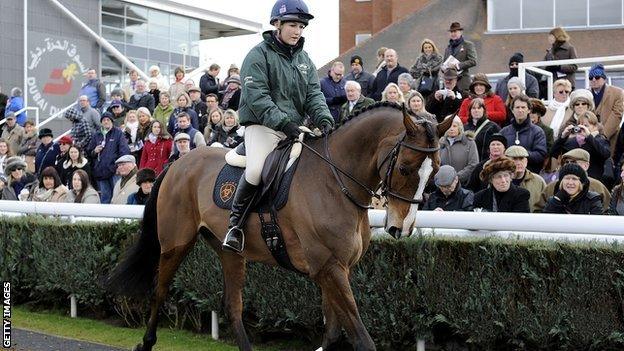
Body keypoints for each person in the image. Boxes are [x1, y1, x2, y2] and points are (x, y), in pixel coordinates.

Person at [222, 0, 334, 253]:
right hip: (262, 126)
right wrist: (284, 122)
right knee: (256, 170)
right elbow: (257, 96)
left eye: (301, 26)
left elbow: (314, 95)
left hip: (294, 127)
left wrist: (324, 119)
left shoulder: (305, 59)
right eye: (293, 25)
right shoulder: (257, 55)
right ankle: (234, 227)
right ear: (277, 24)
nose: (298, 31)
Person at [535, 148, 611, 212]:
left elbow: (606, 213)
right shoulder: (552, 186)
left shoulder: (597, 186)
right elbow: (539, 212)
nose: (569, 164)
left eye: (574, 162)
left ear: (586, 165)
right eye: (566, 162)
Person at [550, 111, 610, 180]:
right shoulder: (573, 141)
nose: (582, 128)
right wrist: (563, 137)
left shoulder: (600, 140)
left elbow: (606, 154)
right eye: (580, 125)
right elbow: (553, 153)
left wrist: (589, 137)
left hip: (591, 179)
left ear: (595, 127)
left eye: (586, 125)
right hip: (571, 178)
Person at [87, 112, 130, 204]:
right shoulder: (97, 135)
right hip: (101, 171)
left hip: (115, 171)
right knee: (105, 197)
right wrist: (95, 151)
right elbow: (89, 152)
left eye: (108, 120)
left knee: (117, 195)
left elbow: (124, 151)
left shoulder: (118, 133)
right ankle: (104, 218)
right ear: (101, 122)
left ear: (112, 121)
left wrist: (120, 167)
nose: (106, 122)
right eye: (103, 120)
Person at [500, 95, 547, 173]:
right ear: (512, 110)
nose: (520, 110)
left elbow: (540, 155)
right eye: (517, 107)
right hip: (508, 175)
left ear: (529, 110)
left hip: (530, 175)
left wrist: (519, 153)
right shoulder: (504, 132)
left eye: (523, 107)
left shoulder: (538, 132)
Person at [588, 64, 624, 151]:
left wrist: (603, 135)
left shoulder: (618, 92)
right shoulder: (586, 94)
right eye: (590, 77)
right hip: (589, 137)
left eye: (597, 77)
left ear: (604, 79)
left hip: (611, 136)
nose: (593, 80)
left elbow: (617, 115)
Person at [504, 145, 546, 212]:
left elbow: (546, 206)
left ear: (526, 161)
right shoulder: (499, 180)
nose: (518, 163)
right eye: (514, 159)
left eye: (521, 159)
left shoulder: (538, 181)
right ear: (506, 161)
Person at [439, 116, 478, 185]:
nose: (451, 129)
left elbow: (473, 164)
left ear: (459, 127)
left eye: (454, 126)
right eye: (449, 126)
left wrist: (456, 178)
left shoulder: (469, 142)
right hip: (443, 184)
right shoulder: (440, 142)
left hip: (463, 184)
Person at [443, 22, 477, 94]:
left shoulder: (468, 45)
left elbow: (473, 61)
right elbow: (444, 63)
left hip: (462, 82)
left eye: (455, 31)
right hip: (449, 84)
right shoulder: (448, 48)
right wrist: (443, 68)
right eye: (451, 32)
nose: (453, 33)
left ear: (460, 32)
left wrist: (458, 65)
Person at [543, 27, 578, 91]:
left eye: (551, 36)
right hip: (553, 85)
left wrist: (559, 67)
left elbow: (574, 66)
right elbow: (542, 64)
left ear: (557, 36)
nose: (549, 38)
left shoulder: (570, 49)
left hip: (567, 85)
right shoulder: (550, 51)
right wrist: (547, 68)